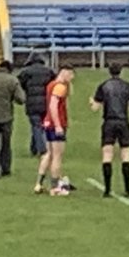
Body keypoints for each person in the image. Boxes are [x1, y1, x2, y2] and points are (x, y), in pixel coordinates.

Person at [91, 63, 129, 198]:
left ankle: (107, 189)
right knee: (126, 155)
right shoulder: (127, 86)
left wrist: (91, 102)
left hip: (109, 122)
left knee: (107, 155)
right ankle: (128, 189)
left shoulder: (104, 86)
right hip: (123, 122)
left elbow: (95, 107)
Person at [35, 65, 77, 196]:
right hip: (55, 124)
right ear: (65, 73)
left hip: (48, 123)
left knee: (48, 154)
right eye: (71, 75)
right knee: (57, 156)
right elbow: (53, 106)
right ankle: (55, 187)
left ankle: (39, 184)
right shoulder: (59, 87)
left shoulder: (51, 84)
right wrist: (58, 125)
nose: (72, 78)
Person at [18, 55, 55, 158]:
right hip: (45, 102)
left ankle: (41, 149)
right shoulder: (48, 71)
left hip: (31, 102)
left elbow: (20, 83)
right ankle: (34, 148)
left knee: (36, 125)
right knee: (40, 126)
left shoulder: (25, 72)